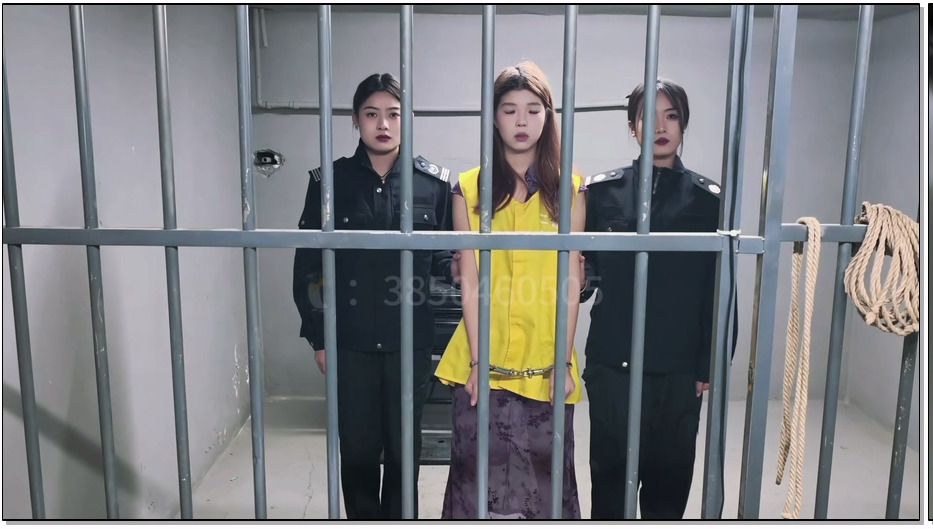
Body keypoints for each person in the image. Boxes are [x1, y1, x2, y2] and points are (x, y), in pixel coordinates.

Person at [292, 72, 453, 519]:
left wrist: (462, 267)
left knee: (404, 450)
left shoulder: (434, 185)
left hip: (410, 341)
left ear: (407, 119)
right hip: (350, 341)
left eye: (394, 114)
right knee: (359, 450)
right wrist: (320, 338)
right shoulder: (330, 182)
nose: (383, 124)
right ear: (356, 120)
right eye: (372, 114)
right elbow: (310, 268)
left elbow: (445, 259)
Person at [433, 60, 585, 520]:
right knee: (477, 487)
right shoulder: (468, 189)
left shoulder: (571, 188)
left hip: (546, 359)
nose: (522, 121)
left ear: (548, 116)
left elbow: (570, 283)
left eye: (533, 110)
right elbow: (471, 280)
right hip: (482, 356)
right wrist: (478, 361)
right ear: (494, 117)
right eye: (509, 109)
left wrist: (562, 361)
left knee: (546, 489)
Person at [580, 79, 736, 519]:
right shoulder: (603, 192)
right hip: (613, 362)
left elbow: (719, 289)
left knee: (668, 485)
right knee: (610, 481)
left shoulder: (708, 200)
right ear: (632, 126)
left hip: (678, 367)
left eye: (672, 116)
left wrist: (709, 363)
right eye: (648, 117)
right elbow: (585, 277)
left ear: (684, 125)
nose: (661, 128)